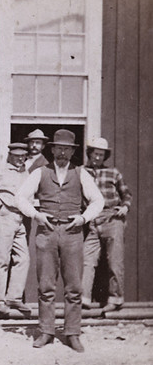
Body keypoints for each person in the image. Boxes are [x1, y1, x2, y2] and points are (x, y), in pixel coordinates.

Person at [16, 129, 104, 352]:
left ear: (72, 151)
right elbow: (20, 197)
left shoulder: (81, 173)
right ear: (52, 149)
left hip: (72, 233)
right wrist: (36, 214)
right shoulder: (39, 172)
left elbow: (98, 200)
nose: (63, 152)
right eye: (59, 148)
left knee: (74, 286)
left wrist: (84, 218)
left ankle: (72, 332)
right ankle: (46, 331)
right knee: (46, 285)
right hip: (46, 233)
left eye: (67, 149)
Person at [82, 137, 132, 313]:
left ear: (105, 156)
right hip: (92, 220)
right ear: (90, 154)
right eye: (95, 154)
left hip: (112, 218)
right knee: (88, 260)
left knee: (114, 261)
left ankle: (115, 299)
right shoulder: (81, 172)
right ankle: (84, 298)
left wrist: (125, 207)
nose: (97, 158)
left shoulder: (113, 173)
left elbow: (126, 193)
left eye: (101, 155)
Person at [0, 143, 31, 318]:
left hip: (20, 219)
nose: (20, 159)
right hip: (4, 216)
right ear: (9, 155)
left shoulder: (27, 174)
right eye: (16, 156)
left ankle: (14, 296)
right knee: (1, 260)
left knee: (23, 258)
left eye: (23, 156)